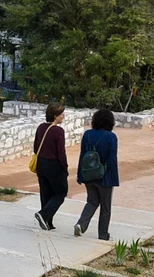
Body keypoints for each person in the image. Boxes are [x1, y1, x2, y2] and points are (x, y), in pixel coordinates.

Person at [74, 109, 119, 241]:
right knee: (105, 207)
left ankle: (81, 224)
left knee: (92, 201)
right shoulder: (111, 137)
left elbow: (82, 155)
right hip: (105, 177)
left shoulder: (87, 134)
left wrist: (80, 174)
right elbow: (112, 158)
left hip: (88, 174)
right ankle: (103, 235)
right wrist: (104, 169)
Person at [33, 102, 67, 230]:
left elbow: (36, 147)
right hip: (54, 165)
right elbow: (61, 152)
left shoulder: (41, 127)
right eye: (61, 114)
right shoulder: (58, 131)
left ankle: (47, 222)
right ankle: (44, 214)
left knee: (45, 193)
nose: (63, 116)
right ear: (55, 116)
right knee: (60, 193)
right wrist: (64, 167)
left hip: (41, 163)